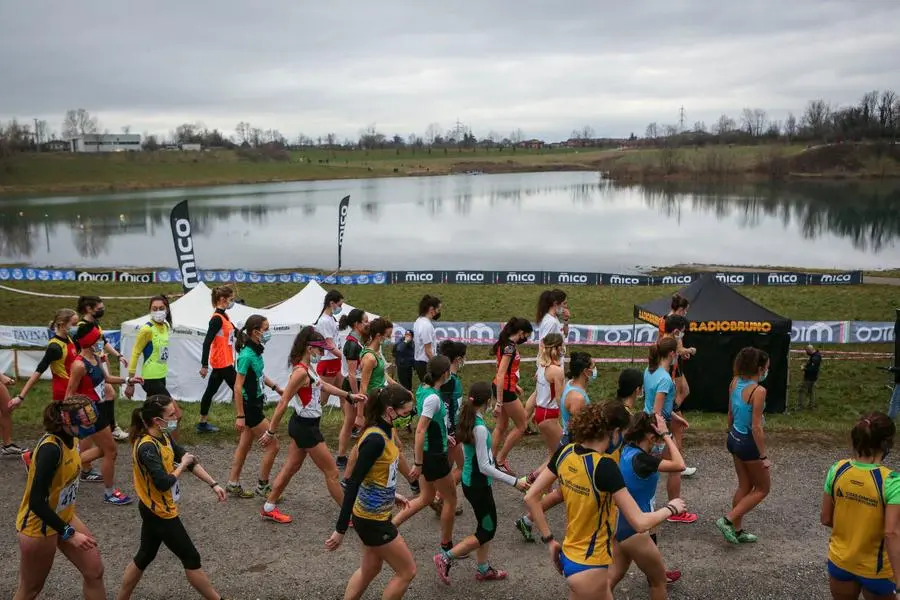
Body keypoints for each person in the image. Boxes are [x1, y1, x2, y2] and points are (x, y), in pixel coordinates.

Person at [525, 401, 687, 600]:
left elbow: (531, 496)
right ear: (615, 432)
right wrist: (671, 508)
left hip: (570, 556)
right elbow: (639, 522)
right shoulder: (604, 466)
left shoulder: (564, 452)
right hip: (590, 566)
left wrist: (549, 540)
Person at [116, 395, 227, 600]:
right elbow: (163, 482)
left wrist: (213, 484)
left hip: (157, 508)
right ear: (157, 421)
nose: (176, 416)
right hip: (159, 511)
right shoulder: (147, 447)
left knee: (145, 556)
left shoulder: (164, 436)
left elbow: (189, 460)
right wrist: (182, 465)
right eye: (171, 414)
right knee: (191, 557)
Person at [258, 326, 365, 524]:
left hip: (304, 425)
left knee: (291, 467)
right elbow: (283, 402)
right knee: (332, 473)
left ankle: (268, 507)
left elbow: (322, 385)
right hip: (306, 428)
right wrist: (271, 432)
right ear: (309, 348)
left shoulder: (308, 369)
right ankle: (349, 516)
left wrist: (348, 396)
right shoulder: (300, 372)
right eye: (320, 350)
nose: (323, 354)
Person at [433, 381, 530, 585]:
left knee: (486, 525)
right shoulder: (480, 429)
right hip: (478, 485)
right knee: (486, 530)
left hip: (472, 483)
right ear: (488, 401)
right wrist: (515, 482)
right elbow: (485, 466)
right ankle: (445, 558)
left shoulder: (468, 419)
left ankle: (483, 568)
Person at [326, 385, 417, 600]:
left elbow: (375, 474)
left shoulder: (385, 430)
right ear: (389, 410)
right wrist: (340, 530)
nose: (407, 418)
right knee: (407, 571)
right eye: (405, 413)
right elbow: (353, 483)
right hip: (372, 521)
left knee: (370, 569)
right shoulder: (375, 440)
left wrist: (391, 495)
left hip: (374, 515)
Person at [14, 394, 106, 600]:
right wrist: (70, 534)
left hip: (63, 515)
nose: (90, 428)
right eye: (85, 424)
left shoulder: (72, 439)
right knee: (30, 590)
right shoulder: (50, 449)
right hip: (40, 526)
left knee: (94, 571)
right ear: (66, 422)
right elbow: (36, 502)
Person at [514, 351, 596, 542]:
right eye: (592, 366)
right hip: (575, 448)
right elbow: (580, 428)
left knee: (563, 492)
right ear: (585, 371)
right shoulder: (577, 398)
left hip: (569, 445)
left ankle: (527, 520)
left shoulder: (572, 386)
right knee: (569, 491)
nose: (594, 369)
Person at [821, 412, 900, 600]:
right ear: (887, 444)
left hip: (840, 562)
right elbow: (891, 533)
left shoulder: (837, 469)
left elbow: (825, 518)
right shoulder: (892, 482)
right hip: (877, 570)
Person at [610, 412, 686, 598]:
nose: (658, 442)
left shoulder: (627, 450)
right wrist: (667, 434)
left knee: (610, 579)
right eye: (657, 439)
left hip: (620, 526)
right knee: (658, 581)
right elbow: (679, 464)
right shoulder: (644, 461)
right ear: (651, 436)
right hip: (636, 531)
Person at [66, 325, 138, 505]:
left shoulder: (95, 358)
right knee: (111, 451)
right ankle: (109, 492)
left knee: (105, 450)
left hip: (101, 408)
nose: (102, 342)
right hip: (90, 414)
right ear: (89, 343)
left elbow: (106, 379)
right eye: (98, 339)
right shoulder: (79, 365)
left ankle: (64, 467)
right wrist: (77, 416)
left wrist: (128, 380)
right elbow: (69, 394)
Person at [393, 356, 458, 553]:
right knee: (451, 499)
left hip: (432, 450)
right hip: (433, 456)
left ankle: (389, 527)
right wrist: (418, 463)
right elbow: (420, 430)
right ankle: (447, 546)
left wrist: (445, 436)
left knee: (426, 497)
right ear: (445, 373)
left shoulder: (423, 389)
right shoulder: (432, 398)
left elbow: (430, 424)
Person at [225, 315, 285, 500]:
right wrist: (240, 415)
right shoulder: (246, 355)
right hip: (250, 408)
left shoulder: (255, 352)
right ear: (255, 331)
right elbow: (237, 386)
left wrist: (275, 387)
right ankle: (263, 486)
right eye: (266, 329)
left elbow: (259, 375)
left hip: (255, 403)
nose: (268, 332)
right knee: (273, 446)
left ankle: (233, 484)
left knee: (244, 445)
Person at [716, 347, 771, 544]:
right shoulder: (759, 391)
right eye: (766, 368)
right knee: (763, 488)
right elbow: (756, 427)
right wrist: (763, 456)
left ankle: (737, 530)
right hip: (748, 443)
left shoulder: (734, 382)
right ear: (759, 369)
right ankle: (728, 520)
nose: (766, 371)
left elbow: (730, 413)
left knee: (745, 485)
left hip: (734, 438)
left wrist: (731, 433)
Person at [10, 309, 81, 459]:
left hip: (72, 389)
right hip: (62, 392)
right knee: (61, 431)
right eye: (73, 324)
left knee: (63, 431)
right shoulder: (54, 347)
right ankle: (33, 458)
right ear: (62, 324)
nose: (76, 327)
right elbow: (38, 372)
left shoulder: (69, 339)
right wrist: (20, 397)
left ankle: (61, 460)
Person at [644, 337, 697, 524]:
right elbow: (657, 412)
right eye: (678, 352)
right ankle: (674, 511)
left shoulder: (650, 371)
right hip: (657, 431)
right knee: (677, 466)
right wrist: (664, 435)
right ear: (672, 354)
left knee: (650, 470)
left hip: (650, 427)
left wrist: (676, 417)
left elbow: (653, 405)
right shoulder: (665, 379)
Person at [76, 295, 130, 442]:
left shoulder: (95, 322)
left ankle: (107, 427)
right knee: (104, 394)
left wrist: (118, 356)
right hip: (88, 366)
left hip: (97, 362)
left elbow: (103, 342)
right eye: (99, 309)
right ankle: (103, 428)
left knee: (109, 393)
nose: (102, 311)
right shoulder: (82, 328)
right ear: (89, 309)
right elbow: (80, 349)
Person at [491, 317, 533, 475]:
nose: (527, 338)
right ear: (521, 332)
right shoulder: (510, 347)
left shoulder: (505, 343)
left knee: (500, 427)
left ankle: (491, 460)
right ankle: (500, 460)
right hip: (505, 391)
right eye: (526, 335)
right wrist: (500, 403)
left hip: (503, 387)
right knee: (522, 426)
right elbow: (501, 373)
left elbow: (503, 372)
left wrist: (515, 385)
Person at [660, 314, 698, 478]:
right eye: (682, 332)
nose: (682, 335)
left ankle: (665, 460)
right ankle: (678, 465)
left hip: (667, 390)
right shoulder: (670, 344)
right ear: (676, 331)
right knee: (677, 429)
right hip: (667, 391)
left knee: (673, 430)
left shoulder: (664, 341)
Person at [197, 285, 238, 434]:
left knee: (210, 391)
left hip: (225, 361)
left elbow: (236, 333)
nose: (232, 302)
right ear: (222, 299)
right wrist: (204, 365)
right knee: (240, 390)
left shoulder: (225, 316)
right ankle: (249, 422)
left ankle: (202, 423)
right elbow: (207, 341)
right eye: (231, 299)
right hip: (222, 363)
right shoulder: (216, 319)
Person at [526, 290, 569, 427]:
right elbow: (543, 343)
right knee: (555, 393)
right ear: (556, 304)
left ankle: (525, 420)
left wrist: (566, 321)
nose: (566, 307)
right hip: (551, 362)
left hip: (551, 361)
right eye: (564, 304)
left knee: (538, 393)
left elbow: (564, 335)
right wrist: (545, 365)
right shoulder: (550, 321)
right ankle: (559, 423)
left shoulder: (554, 319)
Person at [337, 308, 370, 469]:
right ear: (357, 324)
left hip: (356, 384)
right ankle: (343, 457)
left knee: (354, 422)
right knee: (352, 421)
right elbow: (351, 374)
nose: (368, 324)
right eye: (365, 321)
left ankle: (345, 456)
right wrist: (357, 396)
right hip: (352, 385)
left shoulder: (357, 340)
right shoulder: (352, 343)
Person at [125, 295, 173, 402]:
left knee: (153, 410)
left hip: (162, 374)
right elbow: (135, 353)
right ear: (150, 310)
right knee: (171, 408)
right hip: (150, 377)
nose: (158, 311)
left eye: (161, 308)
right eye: (154, 309)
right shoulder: (146, 329)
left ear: (167, 309)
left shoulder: (166, 326)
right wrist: (130, 382)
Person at [438, 340, 467, 486]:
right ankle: (439, 496)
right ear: (457, 359)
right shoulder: (450, 381)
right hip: (451, 432)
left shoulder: (447, 378)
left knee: (445, 467)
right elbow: (446, 407)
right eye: (464, 357)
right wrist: (449, 433)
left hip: (449, 431)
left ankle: (442, 498)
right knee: (464, 467)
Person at [534, 333, 566, 457]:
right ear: (558, 348)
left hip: (541, 413)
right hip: (549, 415)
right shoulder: (557, 371)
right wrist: (566, 420)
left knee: (553, 456)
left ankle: (530, 477)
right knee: (563, 454)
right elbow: (559, 398)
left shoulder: (541, 365)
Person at [314, 289, 345, 391]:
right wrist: (345, 358)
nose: (341, 308)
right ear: (332, 303)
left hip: (335, 360)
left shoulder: (331, 318)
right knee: (323, 399)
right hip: (328, 362)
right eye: (340, 305)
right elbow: (329, 345)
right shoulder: (324, 321)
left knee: (344, 393)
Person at [413, 295, 441, 383]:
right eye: (438, 310)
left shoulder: (418, 321)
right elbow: (428, 351)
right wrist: (437, 365)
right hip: (425, 363)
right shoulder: (426, 325)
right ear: (431, 309)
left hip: (419, 361)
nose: (438, 312)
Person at [798, 344, 822, 411]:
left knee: (802, 391)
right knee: (811, 392)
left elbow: (812, 368)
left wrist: (804, 369)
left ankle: (801, 406)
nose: (806, 353)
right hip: (813, 377)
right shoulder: (815, 356)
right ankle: (811, 406)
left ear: (809, 350)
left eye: (807, 351)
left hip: (809, 377)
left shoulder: (815, 357)